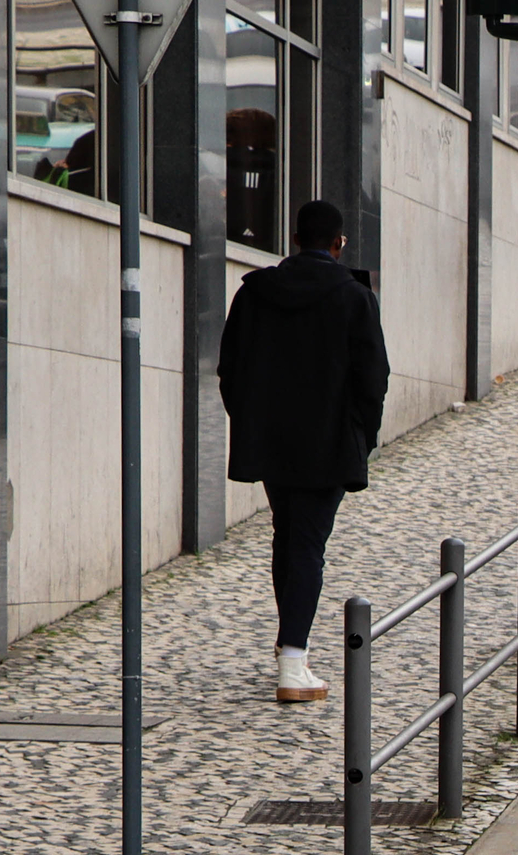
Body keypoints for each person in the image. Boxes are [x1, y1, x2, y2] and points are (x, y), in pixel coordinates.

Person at [217, 198, 390, 704]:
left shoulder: (256, 293)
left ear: (295, 240)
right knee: (307, 544)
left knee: (287, 536)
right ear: (338, 244)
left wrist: (252, 421)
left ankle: (287, 646)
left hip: (272, 438)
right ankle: (293, 662)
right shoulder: (354, 297)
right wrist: (364, 436)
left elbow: (230, 369)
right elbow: (373, 379)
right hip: (329, 442)